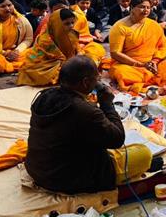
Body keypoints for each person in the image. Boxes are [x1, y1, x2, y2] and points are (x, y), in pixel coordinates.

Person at [25, 56, 158, 194]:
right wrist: (107, 104)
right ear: (85, 82)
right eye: (96, 79)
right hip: (65, 179)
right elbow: (118, 139)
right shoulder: (83, 110)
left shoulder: (44, 96)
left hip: (37, 170)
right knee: (144, 153)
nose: (98, 82)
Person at [108, 0, 166, 94]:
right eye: (142, 7)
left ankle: (151, 82)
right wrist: (140, 64)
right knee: (119, 72)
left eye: (148, 7)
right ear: (132, 8)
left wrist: (154, 61)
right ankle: (147, 85)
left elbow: (163, 46)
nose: (145, 10)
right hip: (129, 65)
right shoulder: (120, 26)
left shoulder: (154, 25)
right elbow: (115, 53)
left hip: (152, 64)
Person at [17, 8, 80, 86]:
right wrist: (70, 62)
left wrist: (78, 55)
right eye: (67, 24)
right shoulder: (46, 39)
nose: (71, 26)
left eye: (72, 23)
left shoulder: (72, 34)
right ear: (56, 24)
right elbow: (56, 57)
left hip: (65, 61)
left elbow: (76, 49)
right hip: (46, 63)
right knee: (43, 75)